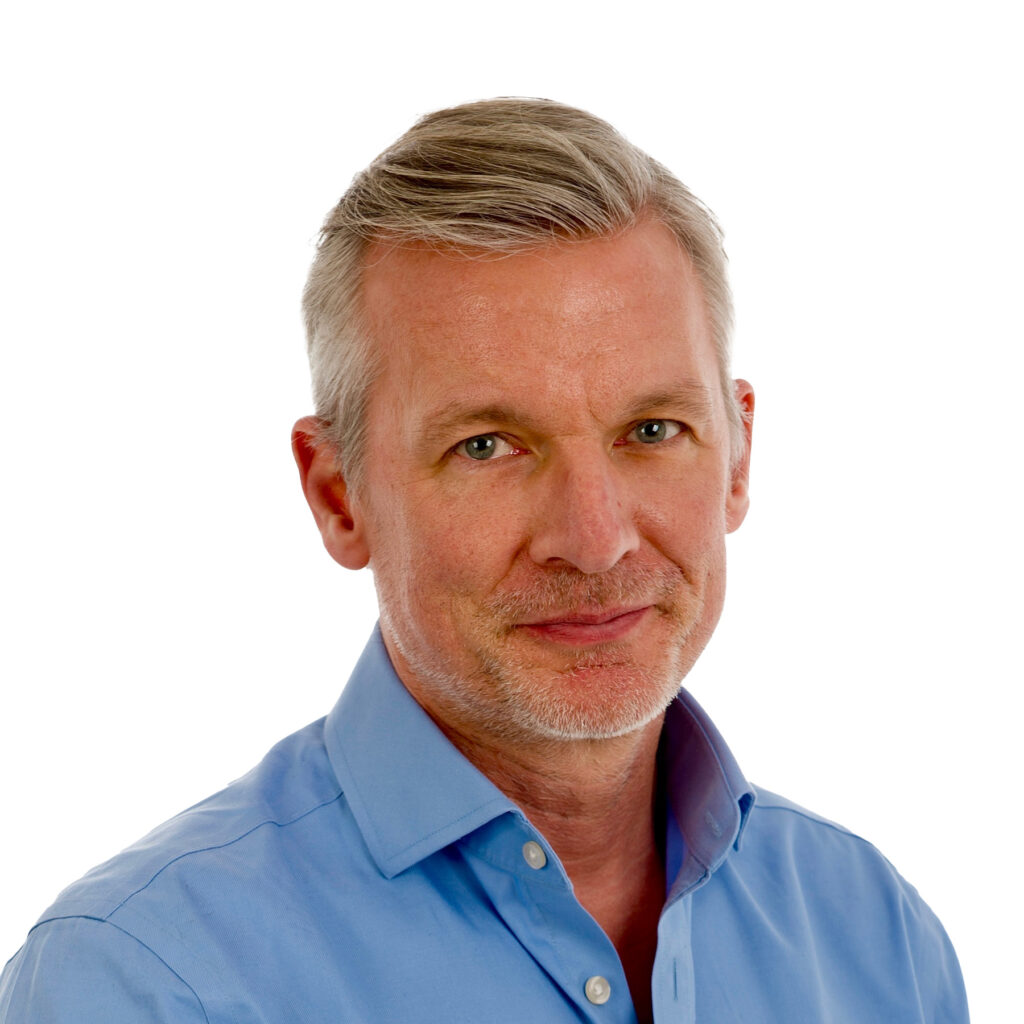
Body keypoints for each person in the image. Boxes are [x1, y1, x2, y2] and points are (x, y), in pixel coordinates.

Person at [0, 98, 968, 1023]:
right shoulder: (148, 984)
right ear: (338, 495)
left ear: (738, 457)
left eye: (651, 429)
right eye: (487, 446)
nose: (595, 539)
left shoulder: (873, 936)